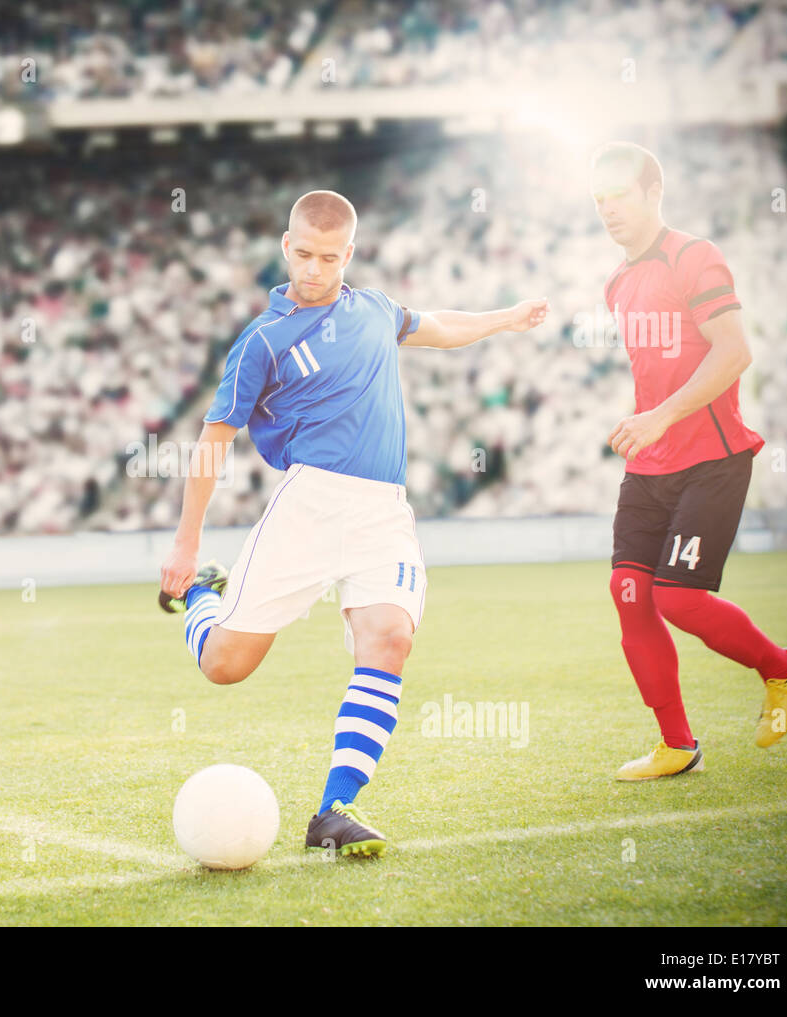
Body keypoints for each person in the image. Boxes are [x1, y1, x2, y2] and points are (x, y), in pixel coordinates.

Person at [159, 190, 548, 856]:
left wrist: (505, 319)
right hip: (309, 504)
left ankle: (335, 809)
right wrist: (187, 546)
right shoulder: (262, 341)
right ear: (286, 247)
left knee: (390, 639)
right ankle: (202, 596)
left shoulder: (374, 309)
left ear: (350, 255)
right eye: (304, 254)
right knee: (226, 666)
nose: (314, 268)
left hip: (383, 511)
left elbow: (439, 326)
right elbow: (213, 440)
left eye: (330, 257)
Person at [592, 142, 787, 780]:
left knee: (679, 599)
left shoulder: (695, 256)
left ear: (654, 193)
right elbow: (657, 372)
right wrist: (643, 421)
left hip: (713, 458)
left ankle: (783, 668)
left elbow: (734, 352)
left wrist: (662, 416)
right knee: (629, 592)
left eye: (620, 196)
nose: (608, 210)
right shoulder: (616, 283)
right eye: (599, 200)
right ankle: (677, 745)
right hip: (648, 466)